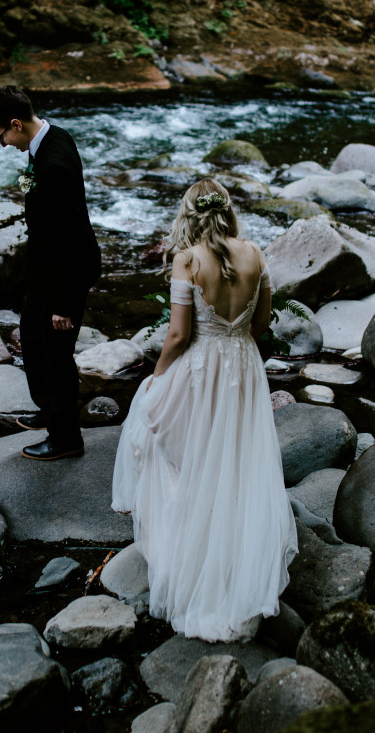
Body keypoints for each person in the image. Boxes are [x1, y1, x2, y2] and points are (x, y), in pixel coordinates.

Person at [111, 180, 297, 642]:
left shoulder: (188, 259)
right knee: (236, 460)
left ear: (188, 214)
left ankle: (187, 556)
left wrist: (157, 377)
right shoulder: (255, 252)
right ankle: (237, 557)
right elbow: (260, 323)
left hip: (202, 365)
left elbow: (177, 335)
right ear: (228, 211)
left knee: (174, 443)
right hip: (243, 365)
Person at [0, 86, 100, 461]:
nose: (2, 145)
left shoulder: (55, 164)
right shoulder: (49, 140)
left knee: (56, 352)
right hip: (47, 266)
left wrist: (63, 303)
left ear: (16, 124)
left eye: (0, 137)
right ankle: (49, 409)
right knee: (31, 336)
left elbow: (69, 236)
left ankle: (66, 438)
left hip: (67, 271)